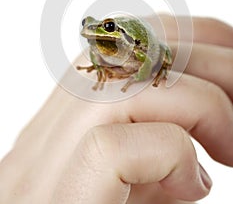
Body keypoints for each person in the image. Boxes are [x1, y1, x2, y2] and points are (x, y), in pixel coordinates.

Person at [0, 15, 232, 204]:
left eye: (108, 27)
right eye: (86, 24)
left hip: (144, 48)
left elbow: (147, 58)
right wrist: (99, 67)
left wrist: (135, 81)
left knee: (163, 53)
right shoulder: (98, 47)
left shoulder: (132, 47)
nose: (91, 30)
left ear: (117, 31)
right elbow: (95, 53)